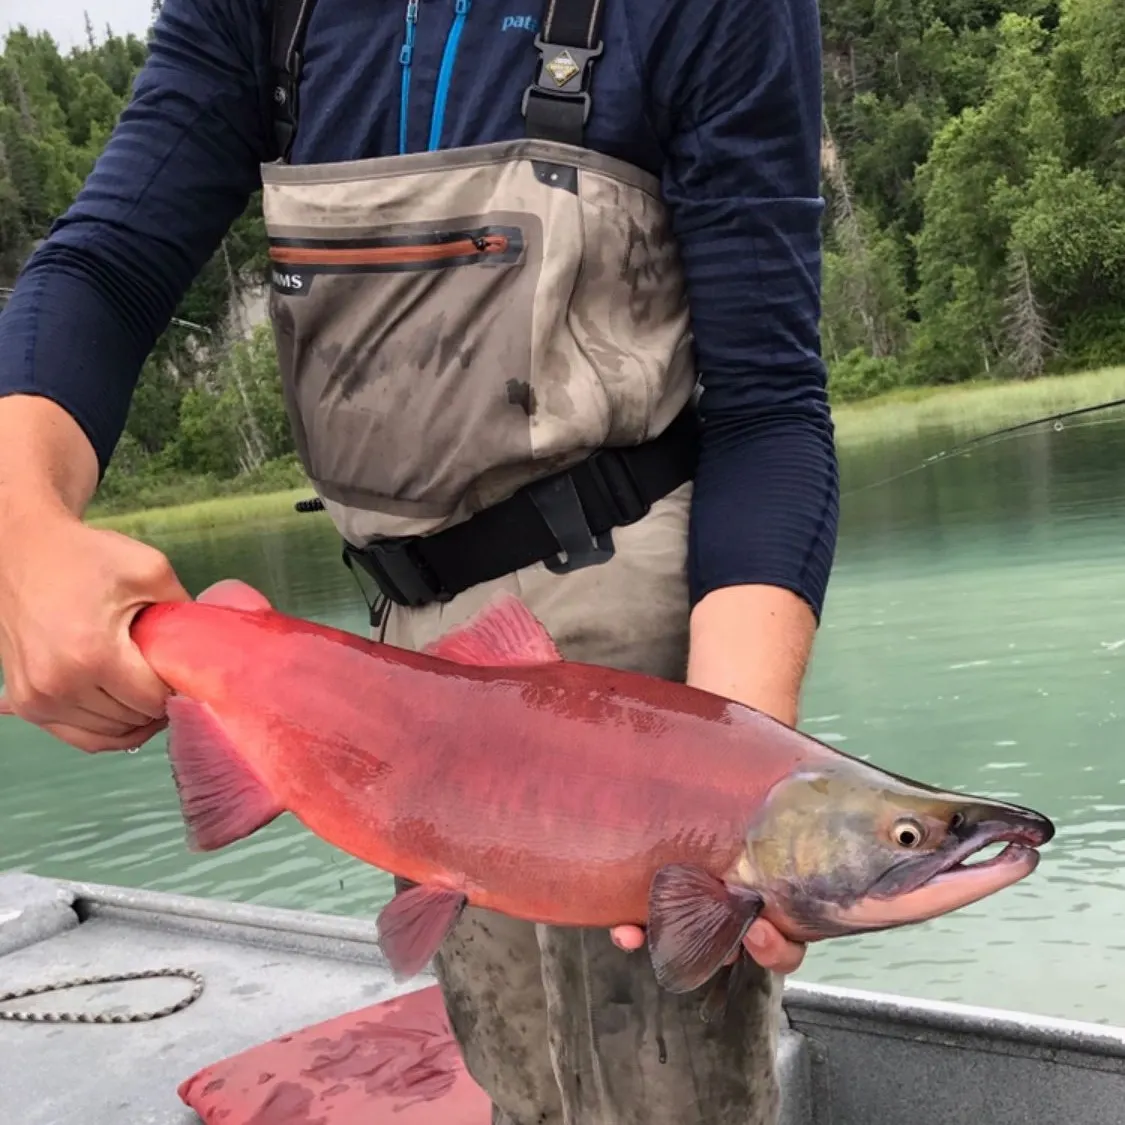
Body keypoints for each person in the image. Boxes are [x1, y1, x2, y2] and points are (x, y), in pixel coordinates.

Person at [0, 0, 838, 1121]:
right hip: (401, 678)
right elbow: (107, 265)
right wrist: (20, 524)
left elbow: (768, 406)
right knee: (517, 1077)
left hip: (653, 657)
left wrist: (736, 790)